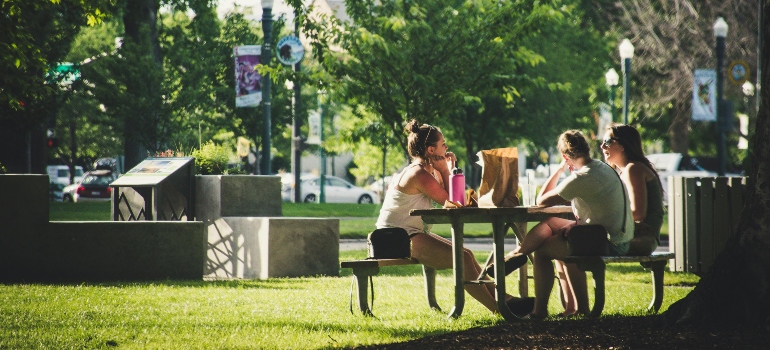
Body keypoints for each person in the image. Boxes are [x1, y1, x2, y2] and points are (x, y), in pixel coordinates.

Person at [375, 119, 533, 315]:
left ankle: (505, 300)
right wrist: (445, 170)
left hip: (406, 234)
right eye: (443, 144)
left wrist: (447, 171)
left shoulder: (428, 172)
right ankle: (500, 309)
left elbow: (456, 199)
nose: (447, 147)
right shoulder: (418, 174)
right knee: (462, 259)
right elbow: (454, 202)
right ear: (431, 150)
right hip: (392, 239)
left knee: (466, 255)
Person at [483, 130, 633, 319]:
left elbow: (541, 200)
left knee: (543, 251)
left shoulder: (582, 177)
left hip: (610, 242)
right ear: (586, 148)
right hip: (612, 234)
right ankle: (518, 254)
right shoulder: (602, 167)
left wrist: (561, 169)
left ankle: (539, 311)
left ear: (565, 156)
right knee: (551, 222)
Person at [601, 123, 664, 254]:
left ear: (623, 145)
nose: (602, 146)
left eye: (607, 141)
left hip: (643, 238)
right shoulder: (625, 171)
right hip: (634, 235)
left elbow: (638, 213)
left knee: (583, 245)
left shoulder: (633, 169)